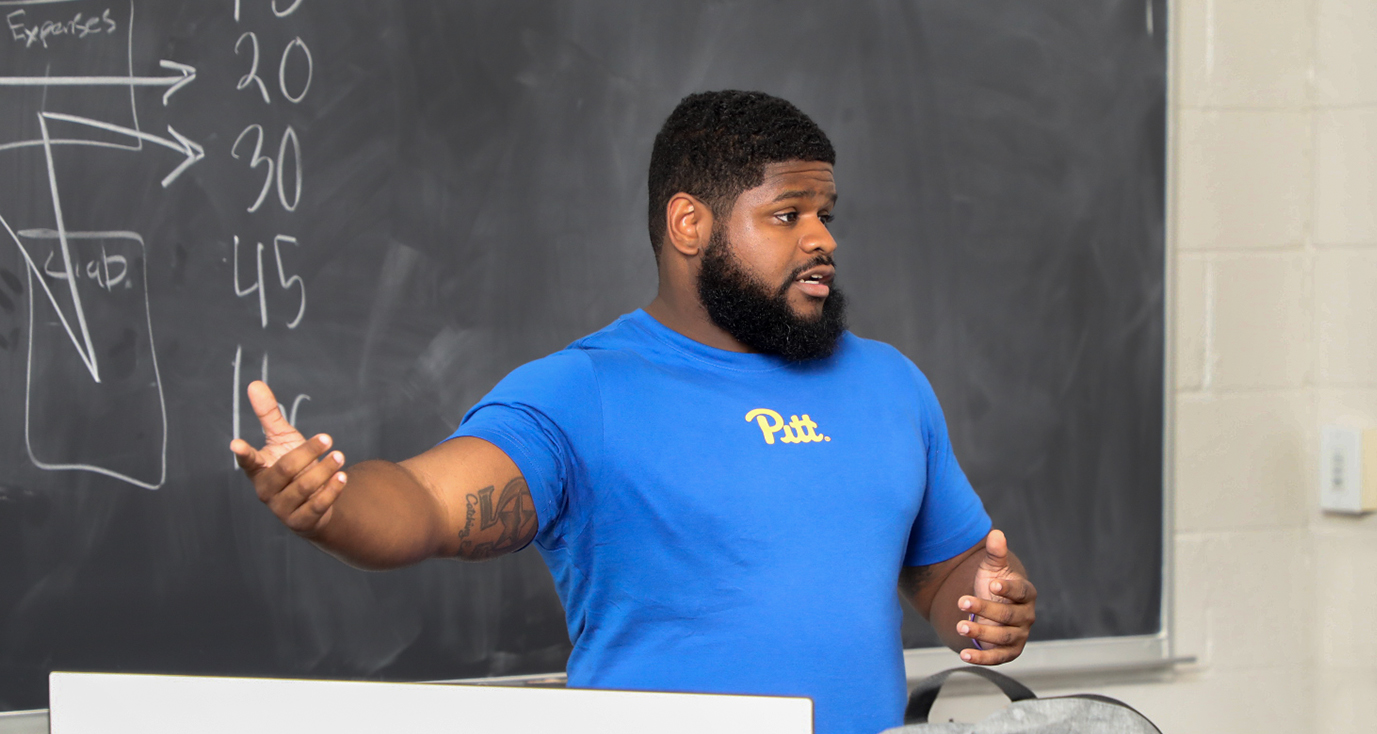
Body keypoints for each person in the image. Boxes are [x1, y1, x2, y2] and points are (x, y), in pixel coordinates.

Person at [231, 90, 1037, 734]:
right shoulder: (586, 391)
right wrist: (330, 507)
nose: (821, 238)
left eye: (827, 214)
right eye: (788, 216)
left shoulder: (889, 384)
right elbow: (428, 504)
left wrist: (985, 603)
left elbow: (943, 570)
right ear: (691, 224)